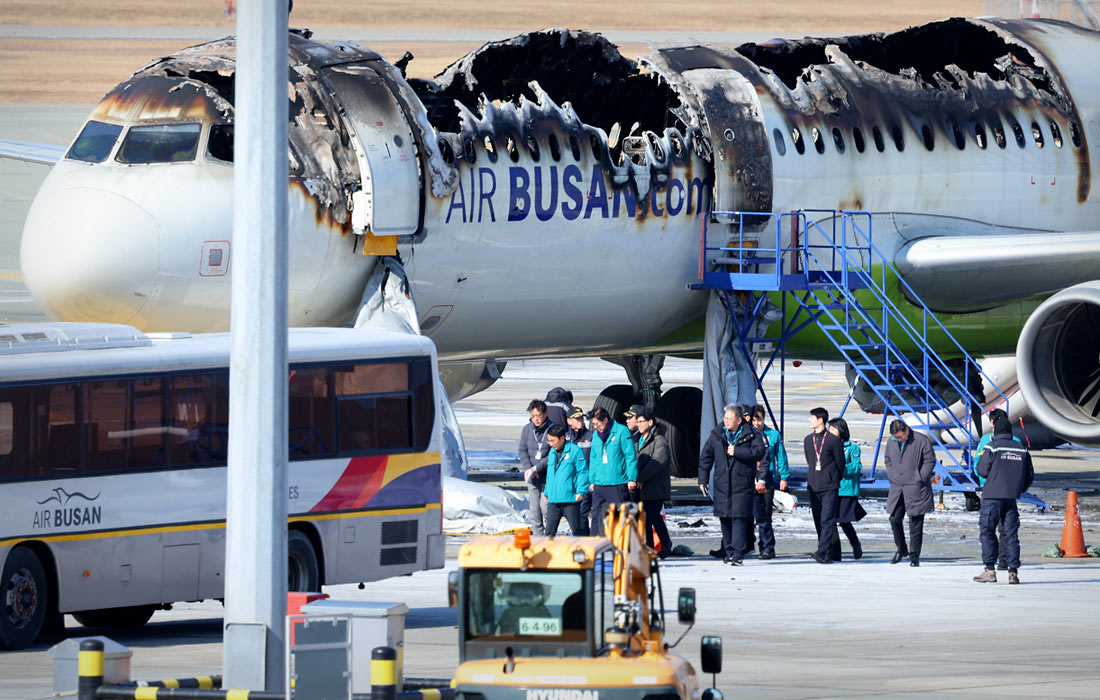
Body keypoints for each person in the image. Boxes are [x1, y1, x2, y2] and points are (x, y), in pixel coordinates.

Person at [698, 403, 765, 565]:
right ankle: (728, 551)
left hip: (742, 483)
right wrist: (703, 478)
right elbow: (706, 456)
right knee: (725, 518)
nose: (726, 421)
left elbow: (759, 452)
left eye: (730, 418)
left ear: (739, 420)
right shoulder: (717, 434)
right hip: (722, 483)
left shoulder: (752, 435)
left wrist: (737, 452)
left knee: (739, 519)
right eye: (725, 418)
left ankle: (737, 553)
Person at [973, 412, 1034, 584]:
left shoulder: (992, 446)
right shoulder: (1021, 448)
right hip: (1011, 497)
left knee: (987, 531)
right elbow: (1029, 475)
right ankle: (1013, 572)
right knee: (1010, 534)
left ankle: (990, 570)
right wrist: (1018, 489)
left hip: (992, 495)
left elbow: (982, 470)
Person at [883, 419, 936, 567]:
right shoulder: (891, 442)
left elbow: (930, 460)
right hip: (897, 487)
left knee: (916, 523)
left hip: (916, 487)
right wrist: (892, 475)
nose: (899, 439)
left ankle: (914, 556)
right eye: (896, 437)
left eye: (900, 436)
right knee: (894, 519)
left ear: (906, 429)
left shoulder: (921, 440)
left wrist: (920, 477)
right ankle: (902, 549)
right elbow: (888, 460)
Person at [587, 406, 638, 536]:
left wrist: (632, 478)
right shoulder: (596, 435)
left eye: (597, 424)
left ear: (605, 420)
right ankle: (596, 546)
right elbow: (593, 459)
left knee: (619, 519)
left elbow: (630, 456)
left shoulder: (621, 431)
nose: (596, 427)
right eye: (593, 424)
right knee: (597, 518)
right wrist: (592, 480)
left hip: (617, 483)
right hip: (600, 484)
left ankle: (621, 547)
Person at [803, 407, 845, 564]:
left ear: (821, 420)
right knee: (818, 519)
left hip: (829, 486)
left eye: (812, 418)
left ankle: (822, 550)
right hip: (814, 486)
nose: (809, 420)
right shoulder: (808, 440)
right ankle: (826, 551)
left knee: (827, 520)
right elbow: (810, 460)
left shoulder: (833, 440)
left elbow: (840, 463)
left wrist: (833, 478)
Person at [635, 406, 673, 557]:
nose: (638, 424)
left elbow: (658, 460)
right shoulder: (638, 439)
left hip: (655, 486)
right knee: (645, 518)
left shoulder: (659, 440)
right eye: (637, 421)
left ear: (650, 422)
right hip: (643, 487)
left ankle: (665, 543)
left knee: (654, 516)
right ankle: (648, 546)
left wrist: (640, 477)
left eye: (641, 421)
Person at [750, 405, 785, 559]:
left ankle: (767, 547)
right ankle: (747, 544)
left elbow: (781, 456)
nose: (756, 424)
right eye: (754, 420)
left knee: (764, 515)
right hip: (749, 479)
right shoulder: (747, 434)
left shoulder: (773, 435)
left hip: (766, 479)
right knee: (748, 515)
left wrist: (784, 476)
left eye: (759, 420)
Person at [543, 424, 589, 537]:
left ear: (562, 438)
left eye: (553, 441)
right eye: (549, 441)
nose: (551, 444)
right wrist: (547, 492)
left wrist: (581, 491)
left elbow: (582, 472)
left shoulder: (575, 450)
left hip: (570, 499)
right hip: (554, 500)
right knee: (549, 532)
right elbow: (550, 474)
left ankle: (581, 553)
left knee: (577, 531)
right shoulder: (552, 452)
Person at [828, 418, 865, 560]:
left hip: (846, 489)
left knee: (843, 520)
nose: (830, 431)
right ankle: (835, 551)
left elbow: (857, 466)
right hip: (831, 488)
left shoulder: (852, 448)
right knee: (830, 520)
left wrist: (840, 468)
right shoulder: (828, 446)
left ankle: (855, 543)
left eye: (833, 429)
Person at [518, 399, 552, 535]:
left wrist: (538, 467)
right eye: (533, 416)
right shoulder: (527, 429)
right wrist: (527, 468)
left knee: (546, 508)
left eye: (538, 416)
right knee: (534, 511)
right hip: (532, 477)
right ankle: (538, 540)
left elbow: (553, 454)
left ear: (545, 414)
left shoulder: (552, 429)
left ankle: (550, 536)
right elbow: (522, 450)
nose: (536, 419)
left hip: (546, 477)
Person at [565, 406, 593, 535]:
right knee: (573, 516)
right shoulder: (565, 438)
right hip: (569, 483)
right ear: (569, 421)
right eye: (576, 419)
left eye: (581, 418)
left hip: (585, 482)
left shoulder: (591, 437)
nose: (580, 421)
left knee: (582, 515)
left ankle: (585, 542)